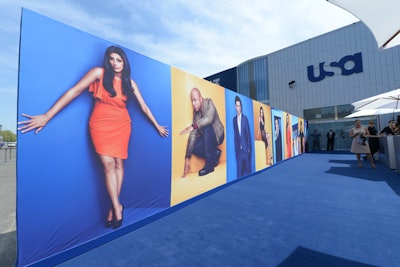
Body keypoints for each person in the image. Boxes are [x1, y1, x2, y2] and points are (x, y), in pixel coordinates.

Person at [18, 46, 169, 229]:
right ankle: (117, 206)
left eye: (119, 60)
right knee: (108, 165)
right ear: (108, 60)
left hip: (122, 125)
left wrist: (157, 125)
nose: (115, 63)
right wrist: (47, 116)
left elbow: (144, 107)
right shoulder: (99, 73)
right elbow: (74, 92)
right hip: (100, 124)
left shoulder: (130, 82)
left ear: (124, 62)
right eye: (112, 59)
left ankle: (114, 209)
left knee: (119, 164)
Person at [180, 87, 224, 177]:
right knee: (194, 147)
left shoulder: (209, 102)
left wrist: (193, 126)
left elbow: (208, 119)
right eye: (192, 101)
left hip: (218, 135)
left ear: (200, 99)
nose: (193, 104)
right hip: (207, 138)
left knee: (206, 127)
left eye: (195, 100)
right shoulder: (195, 113)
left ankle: (209, 166)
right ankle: (215, 154)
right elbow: (193, 133)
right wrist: (187, 157)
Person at [233, 96, 252, 177]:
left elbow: (248, 135)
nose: (238, 108)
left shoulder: (245, 119)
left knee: (248, 173)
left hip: (245, 151)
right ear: (235, 106)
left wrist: (248, 150)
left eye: (239, 106)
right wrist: (236, 152)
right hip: (239, 153)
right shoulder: (234, 120)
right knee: (239, 175)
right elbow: (235, 136)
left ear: (241, 106)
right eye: (237, 106)